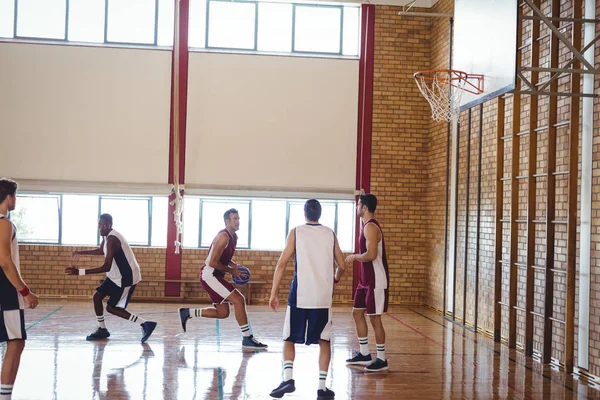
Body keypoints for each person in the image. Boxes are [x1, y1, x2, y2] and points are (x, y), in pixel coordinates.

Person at [269, 199, 347, 399]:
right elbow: (342, 265)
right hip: (322, 296)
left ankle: (288, 380)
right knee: (324, 340)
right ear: (319, 214)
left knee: (289, 338)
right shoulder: (330, 233)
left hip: (300, 294)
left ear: (305, 215)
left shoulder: (296, 232)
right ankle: (321, 388)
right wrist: (336, 279)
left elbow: (282, 263)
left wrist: (274, 292)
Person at [178, 208, 267, 350]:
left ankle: (187, 313)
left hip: (215, 276)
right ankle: (247, 338)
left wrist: (234, 266)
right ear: (227, 221)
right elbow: (212, 262)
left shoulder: (234, 237)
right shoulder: (223, 237)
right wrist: (232, 271)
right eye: (235, 219)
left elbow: (225, 259)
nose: (238, 221)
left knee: (223, 313)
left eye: (238, 219)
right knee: (239, 300)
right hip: (210, 275)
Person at [65, 214, 157, 343]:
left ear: (109, 224)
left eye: (102, 224)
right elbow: (101, 251)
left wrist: (79, 272)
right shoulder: (107, 236)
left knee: (112, 308)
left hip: (126, 277)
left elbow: (106, 266)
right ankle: (102, 329)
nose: (100, 227)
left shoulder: (113, 239)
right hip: (115, 275)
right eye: (98, 224)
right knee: (97, 297)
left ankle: (145, 324)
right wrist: (79, 252)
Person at [0, 178, 39, 400]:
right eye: (15, 196)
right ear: (9, 198)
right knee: (16, 341)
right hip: (5, 294)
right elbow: (5, 261)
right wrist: (25, 292)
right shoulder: (4, 223)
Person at [345, 194, 390, 372]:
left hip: (375, 280)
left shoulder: (371, 227)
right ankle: (364, 354)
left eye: (358, 205)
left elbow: (371, 255)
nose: (357, 207)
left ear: (364, 207)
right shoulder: (365, 226)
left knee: (375, 319)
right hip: (364, 281)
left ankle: (382, 359)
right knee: (357, 314)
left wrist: (354, 256)